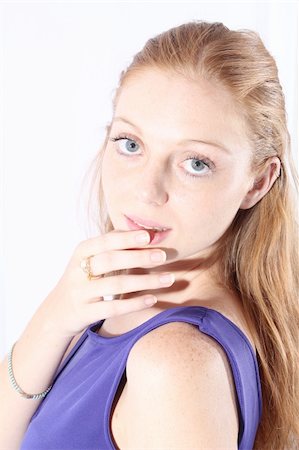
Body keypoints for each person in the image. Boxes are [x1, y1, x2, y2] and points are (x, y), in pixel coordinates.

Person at [0, 20, 298, 450]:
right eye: (131, 143)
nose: (145, 189)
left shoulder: (174, 364)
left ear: (257, 183)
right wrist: (53, 320)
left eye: (196, 162)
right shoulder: (113, 305)